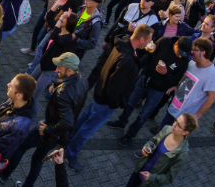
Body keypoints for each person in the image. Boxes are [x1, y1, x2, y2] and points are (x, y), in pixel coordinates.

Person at [1, 53, 88, 187]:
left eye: (60, 67)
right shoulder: (82, 81)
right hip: (59, 136)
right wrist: (56, 88)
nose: (57, 69)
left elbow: (67, 122)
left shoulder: (63, 92)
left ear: (69, 70)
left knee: (22, 146)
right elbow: (72, 103)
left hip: (49, 129)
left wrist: (46, 130)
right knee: (38, 159)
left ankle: (4, 174)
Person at [63, 24, 150, 170]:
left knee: (85, 118)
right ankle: (71, 153)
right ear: (141, 39)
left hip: (100, 92)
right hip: (106, 101)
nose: (149, 43)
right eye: (148, 40)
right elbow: (116, 86)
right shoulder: (127, 59)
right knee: (88, 129)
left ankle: (69, 140)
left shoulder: (123, 44)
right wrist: (115, 103)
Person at [110, 36, 193, 146]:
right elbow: (149, 55)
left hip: (158, 90)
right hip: (145, 79)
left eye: (184, 54)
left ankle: (129, 135)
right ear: (176, 44)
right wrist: (137, 66)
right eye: (180, 52)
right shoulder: (165, 41)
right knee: (130, 103)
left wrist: (166, 73)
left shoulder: (184, 61)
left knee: (144, 115)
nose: (181, 56)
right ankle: (121, 122)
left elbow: (175, 81)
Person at [118, 113, 197, 187]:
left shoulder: (181, 153)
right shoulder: (167, 129)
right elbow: (153, 140)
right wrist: (146, 147)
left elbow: (170, 177)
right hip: (140, 168)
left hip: (149, 183)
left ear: (185, 132)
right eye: (176, 120)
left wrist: (151, 177)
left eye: (178, 125)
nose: (174, 124)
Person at [161, 37, 215, 130]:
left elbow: (212, 97)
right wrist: (177, 86)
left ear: (203, 53)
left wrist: (198, 115)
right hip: (173, 108)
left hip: (184, 118)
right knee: (160, 134)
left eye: (195, 50)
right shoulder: (192, 63)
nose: (191, 52)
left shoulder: (211, 74)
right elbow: (185, 77)